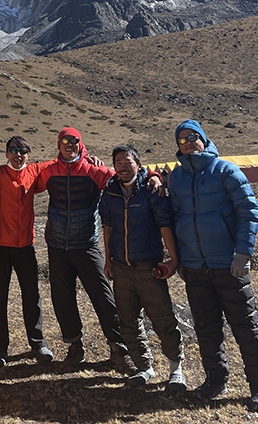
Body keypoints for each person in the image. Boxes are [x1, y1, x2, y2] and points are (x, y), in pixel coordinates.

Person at [34, 127, 158, 373]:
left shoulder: (93, 170)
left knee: (103, 297)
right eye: (65, 141)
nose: (70, 145)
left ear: (81, 145)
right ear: (58, 145)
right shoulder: (48, 171)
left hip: (86, 244)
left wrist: (152, 174)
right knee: (62, 298)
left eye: (75, 141)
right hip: (57, 245)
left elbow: (125, 175)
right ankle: (74, 346)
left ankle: (118, 349)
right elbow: (20, 180)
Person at [168, 120, 258, 413]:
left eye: (193, 137)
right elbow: (174, 218)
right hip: (195, 269)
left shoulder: (226, 170)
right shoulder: (175, 178)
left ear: (203, 139)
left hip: (229, 266)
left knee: (246, 327)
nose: (188, 143)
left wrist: (242, 254)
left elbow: (249, 211)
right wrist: (180, 260)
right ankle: (215, 380)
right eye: (182, 140)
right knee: (207, 329)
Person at [100, 144, 185, 392]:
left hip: (148, 266)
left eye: (128, 161)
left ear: (138, 163)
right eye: (118, 163)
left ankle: (175, 369)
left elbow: (164, 225)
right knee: (127, 320)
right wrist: (107, 260)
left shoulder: (151, 190)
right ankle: (144, 366)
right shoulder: (110, 193)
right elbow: (107, 226)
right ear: (113, 167)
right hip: (121, 268)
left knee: (162, 318)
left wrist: (173, 259)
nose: (124, 167)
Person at [0, 136, 55, 367]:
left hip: (25, 246)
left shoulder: (35, 170)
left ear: (29, 154)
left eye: (23, 151)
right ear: (6, 153)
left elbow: (64, 162)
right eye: (14, 150)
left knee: (32, 296)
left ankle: (38, 344)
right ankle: (0, 350)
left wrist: (88, 157)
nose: (18, 155)